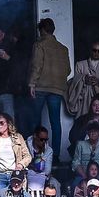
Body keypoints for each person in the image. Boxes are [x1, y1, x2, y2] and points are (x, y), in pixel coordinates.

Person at [29, 18, 71, 162]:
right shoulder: (63, 48)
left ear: (42, 30)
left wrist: (31, 84)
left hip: (41, 86)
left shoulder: (39, 45)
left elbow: (36, 66)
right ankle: (56, 155)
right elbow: (68, 70)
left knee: (35, 120)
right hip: (57, 88)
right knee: (55, 122)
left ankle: (36, 153)